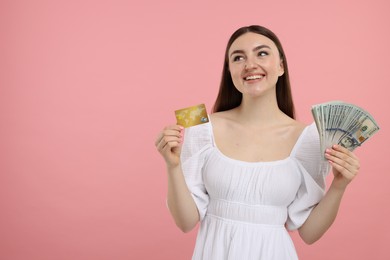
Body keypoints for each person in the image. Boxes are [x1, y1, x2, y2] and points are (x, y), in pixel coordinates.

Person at [155, 25, 360, 260]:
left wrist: (339, 185)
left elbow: (309, 233)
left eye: (262, 53)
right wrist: (172, 167)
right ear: (229, 70)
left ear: (281, 66)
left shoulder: (310, 139)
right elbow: (185, 222)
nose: (249, 64)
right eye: (238, 57)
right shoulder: (198, 125)